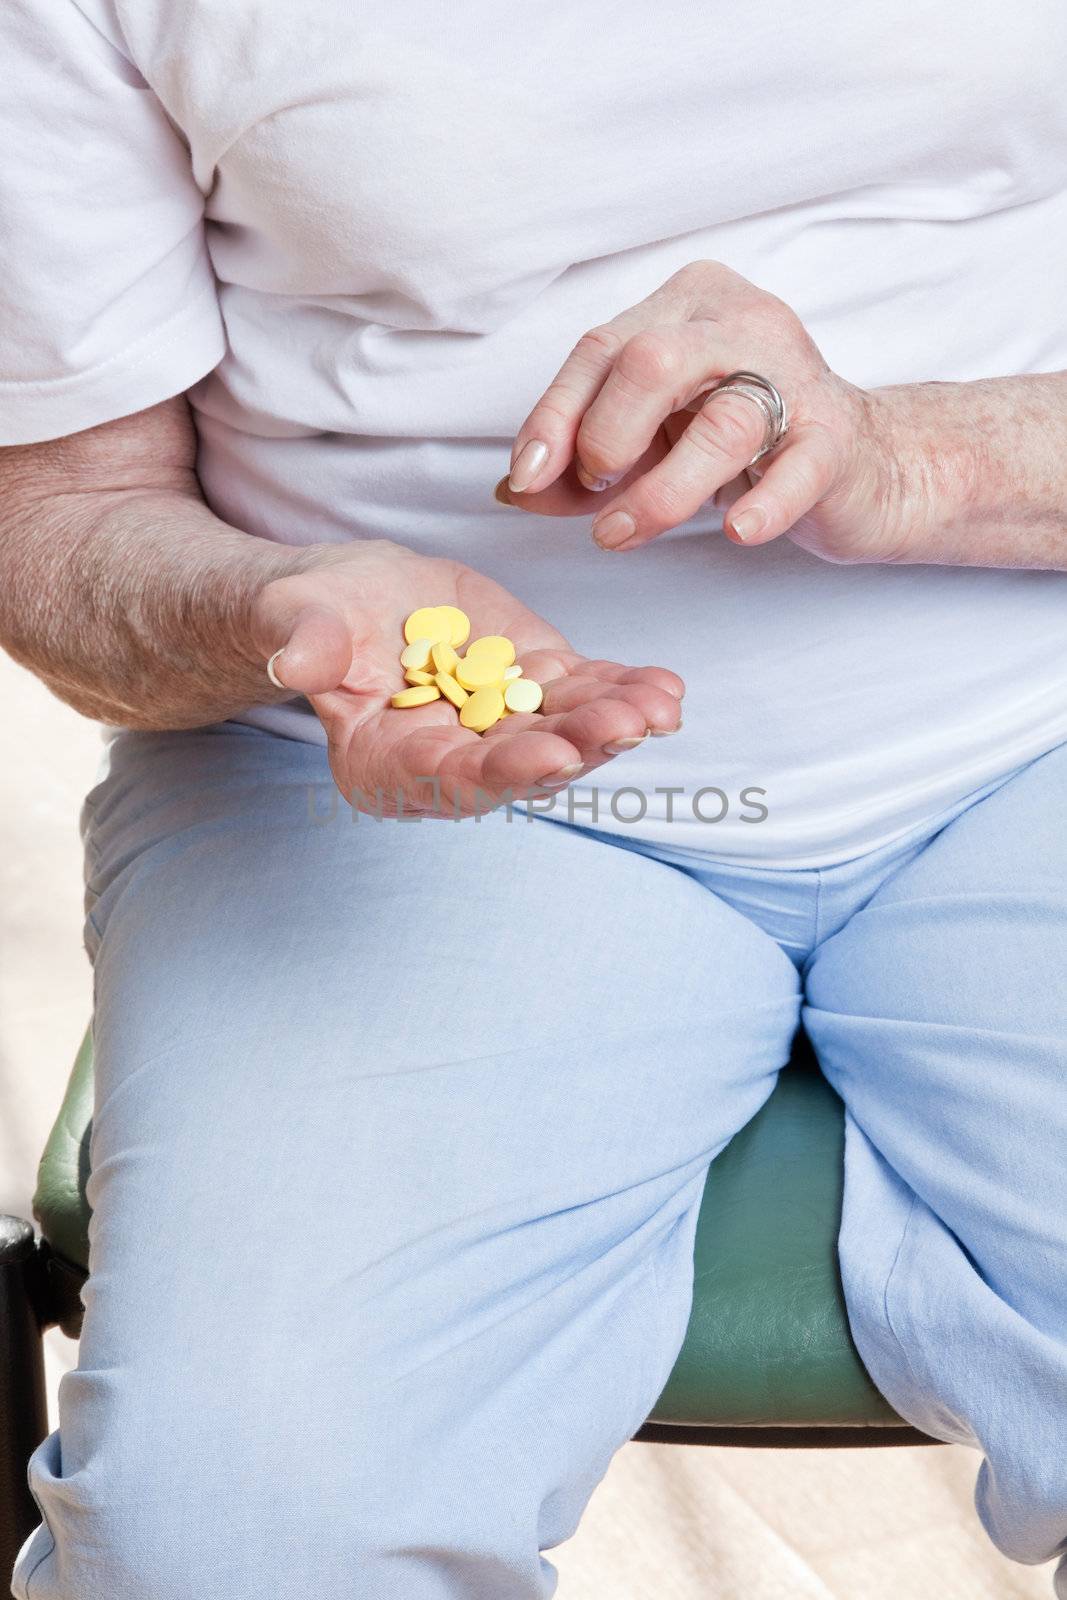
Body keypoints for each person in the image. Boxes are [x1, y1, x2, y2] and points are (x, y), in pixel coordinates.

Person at [2, 0, 1066, 1594]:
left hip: (1035, 721)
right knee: (232, 1543)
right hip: (376, 795)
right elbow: (62, 508)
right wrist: (277, 611)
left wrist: (906, 457)